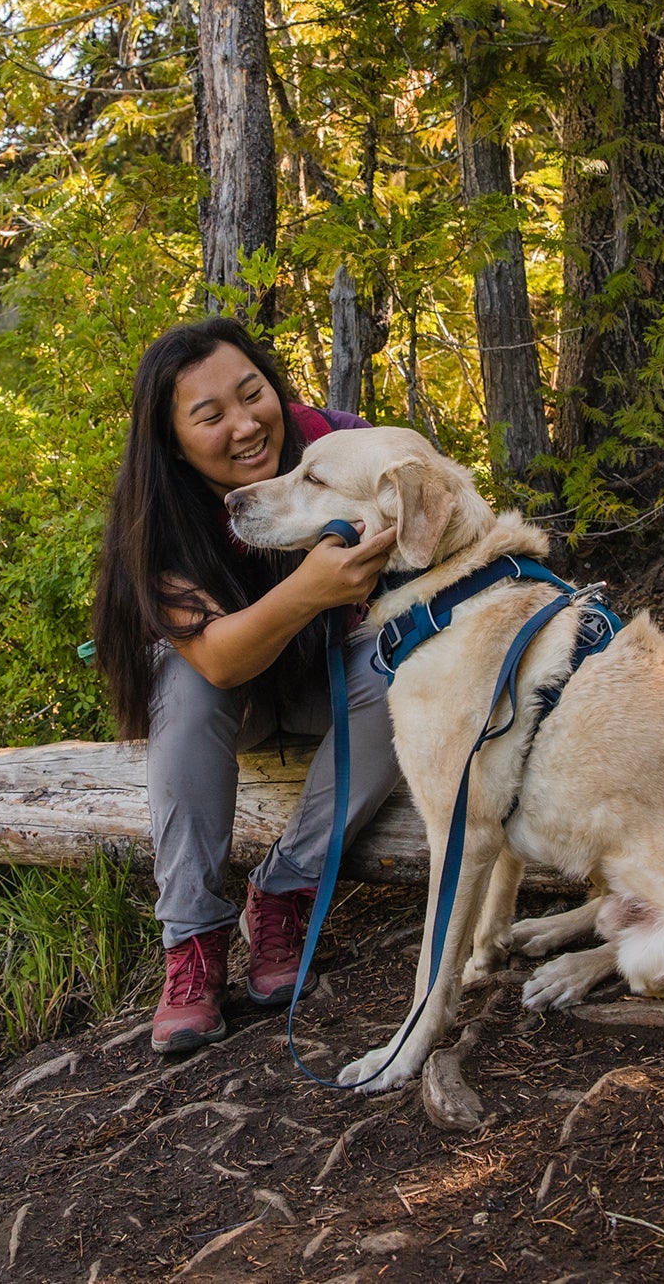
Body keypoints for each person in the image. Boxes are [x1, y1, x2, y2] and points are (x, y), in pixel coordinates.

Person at [91, 318, 404, 1053]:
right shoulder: (158, 514)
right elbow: (221, 662)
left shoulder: (335, 443)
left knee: (404, 659)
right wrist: (313, 589)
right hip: (234, 697)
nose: (245, 425)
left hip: (336, 681)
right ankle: (193, 944)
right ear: (171, 440)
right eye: (209, 416)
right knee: (186, 681)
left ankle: (284, 889)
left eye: (252, 393)